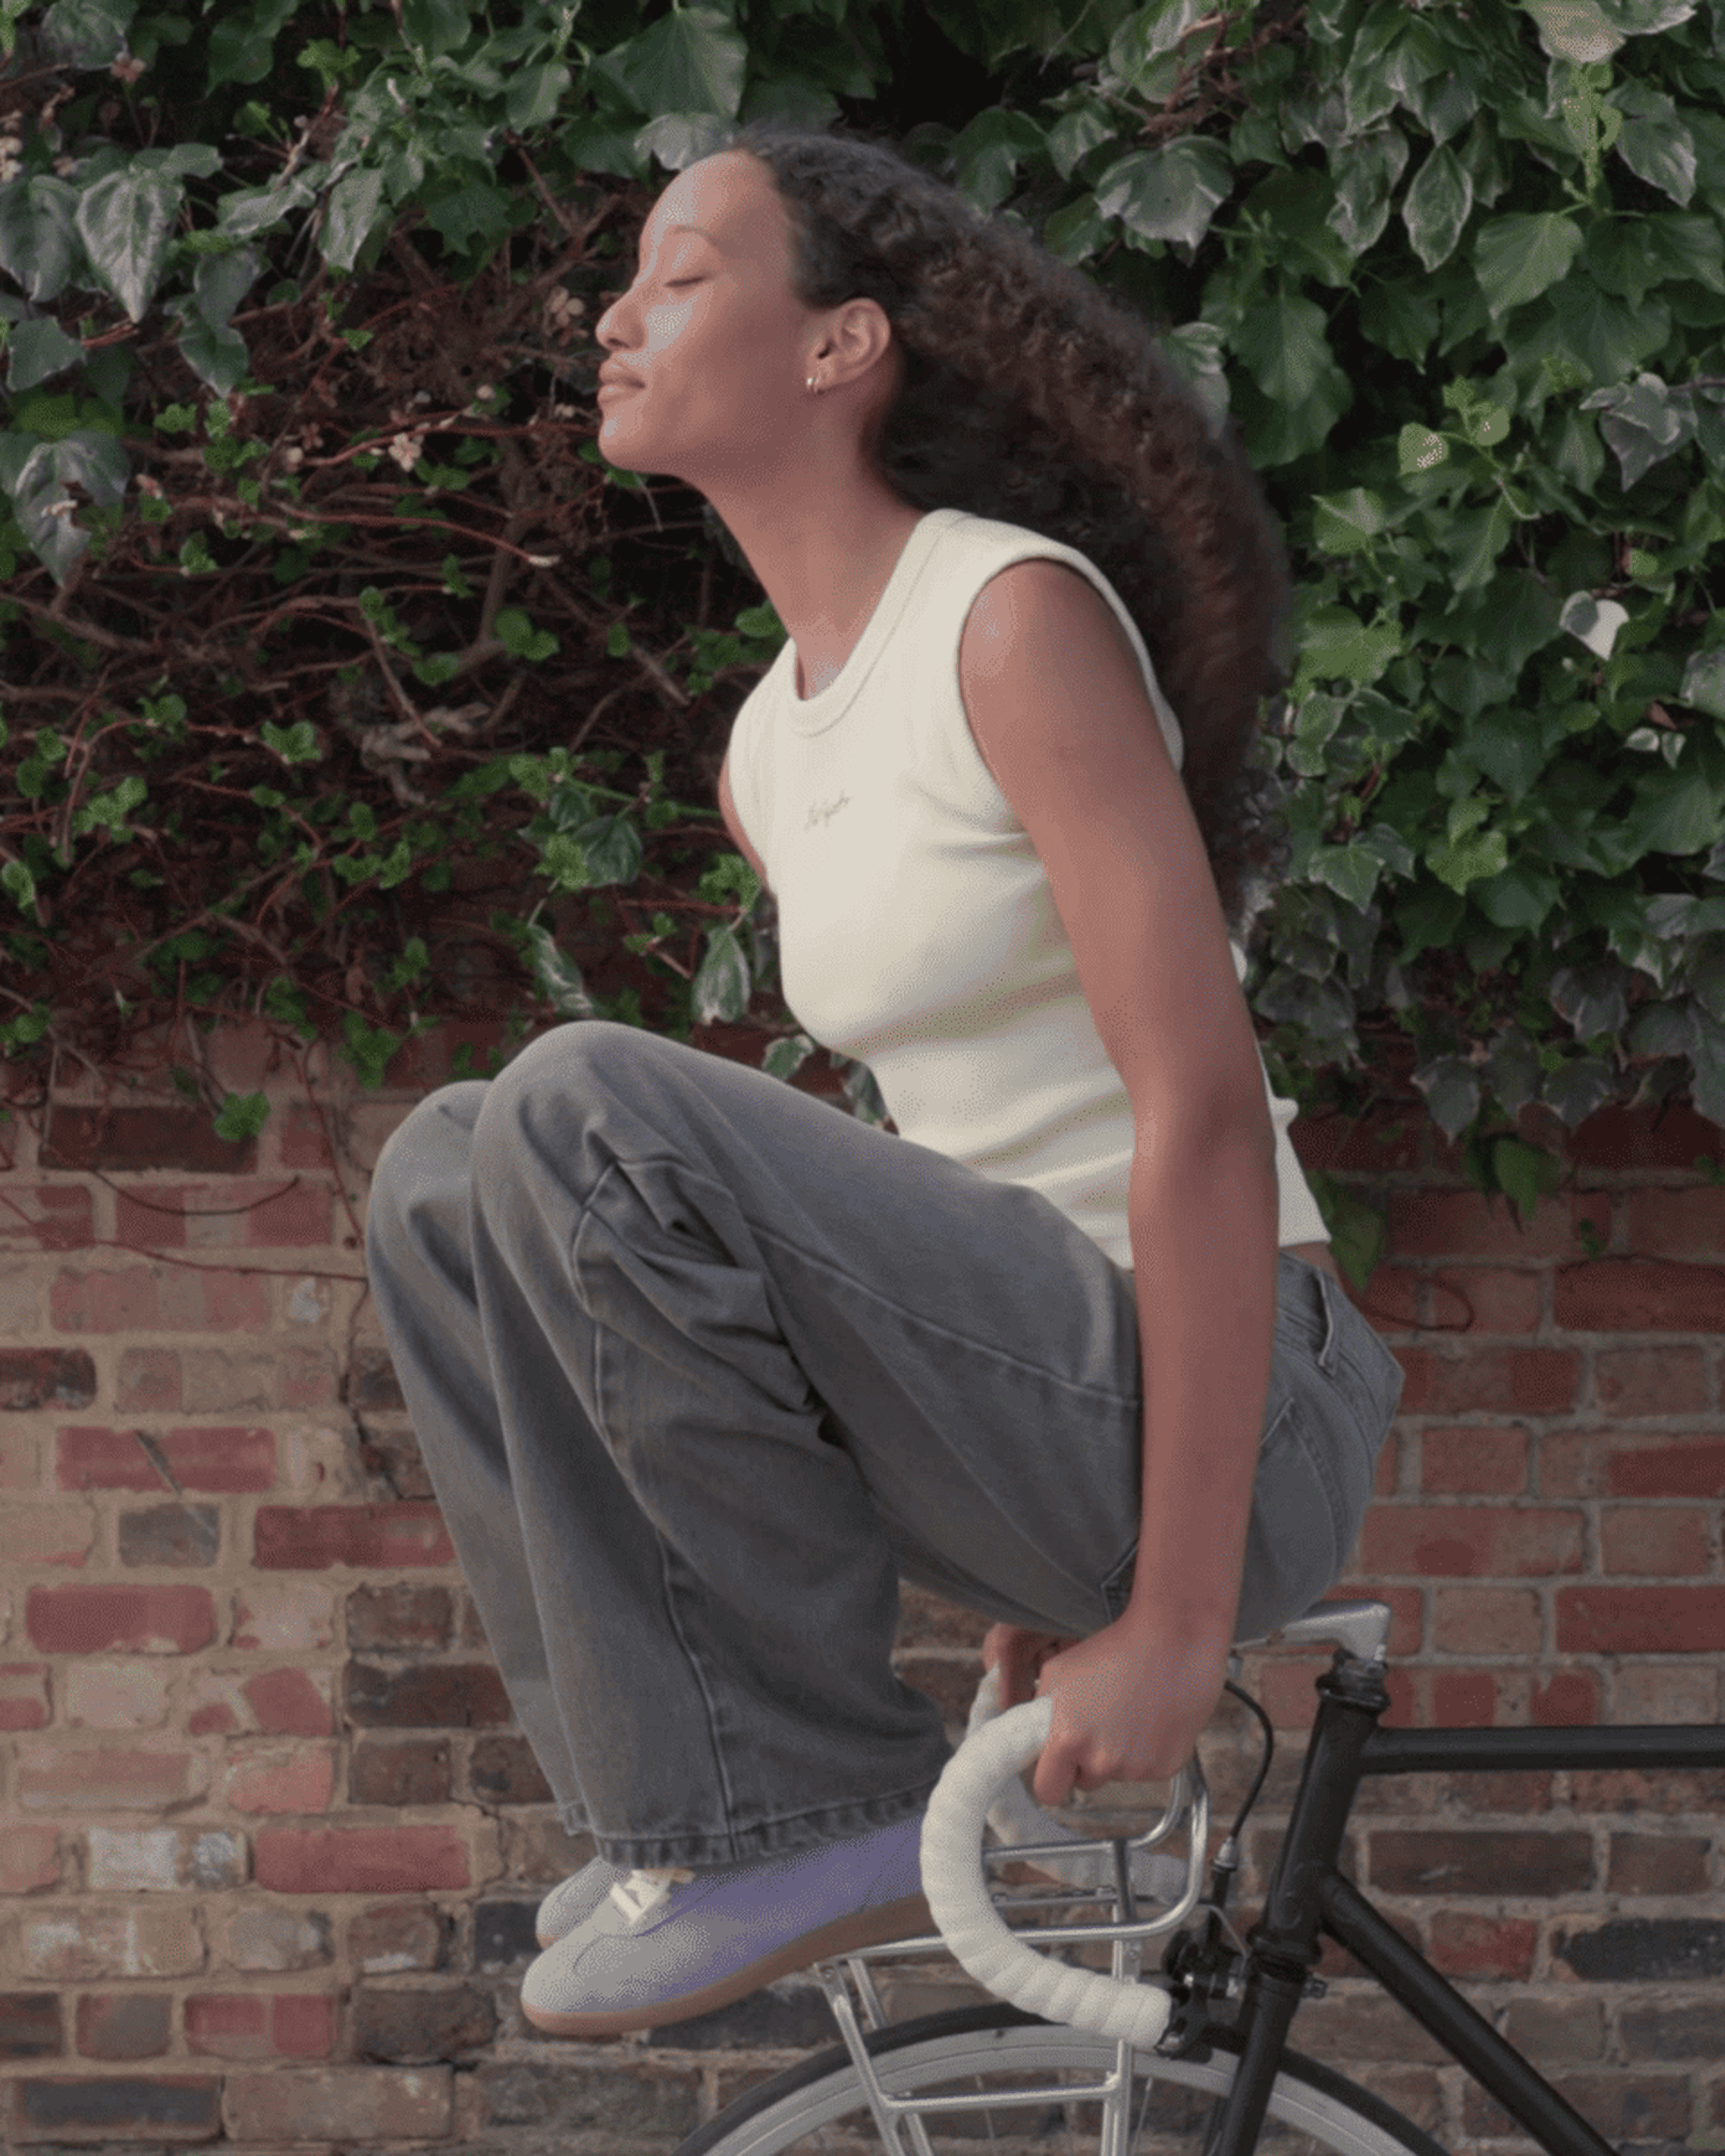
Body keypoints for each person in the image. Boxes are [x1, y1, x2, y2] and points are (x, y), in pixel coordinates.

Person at [362, 118, 1406, 2043]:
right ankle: (684, 1815)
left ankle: (797, 1813)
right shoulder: (770, 747)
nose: (616, 313)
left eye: (683, 274)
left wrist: (1175, 1614)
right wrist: (1009, 1508)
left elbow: (1190, 1106)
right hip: (1057, 1413)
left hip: (1242, 1419)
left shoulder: (1008, 621)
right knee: (443, 1169)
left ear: (840, 346)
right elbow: (938, 1172)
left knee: (588, 1099)